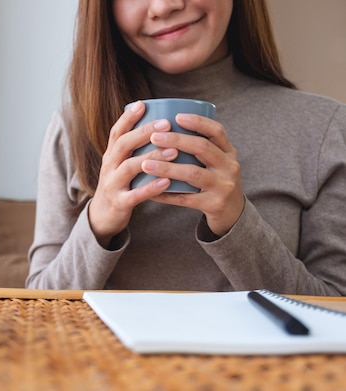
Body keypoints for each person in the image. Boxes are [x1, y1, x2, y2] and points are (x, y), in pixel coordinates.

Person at [25, 0, 346, 295]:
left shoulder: (322, 126)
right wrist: (100, 222)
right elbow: (37, 306)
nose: (164, 6)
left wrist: (236, 224)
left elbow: (336, 307)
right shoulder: (73, 128)